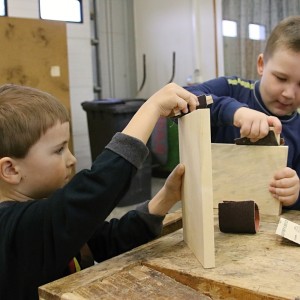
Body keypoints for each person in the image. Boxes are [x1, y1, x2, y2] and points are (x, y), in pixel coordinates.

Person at [0, 83, 198, 299]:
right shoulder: (13, 228)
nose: (72, 159)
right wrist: (152, 107)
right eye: (58, 150)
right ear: (10, 169)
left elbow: (106, 241)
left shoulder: (45, 213)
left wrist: (165, 197)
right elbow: (96, 190)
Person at [184, 15, 300, 210]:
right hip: (212, 216)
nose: (288, 93)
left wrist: (294, 192)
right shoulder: (231, 88)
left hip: (267, 229)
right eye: (280, 78)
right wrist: (234, 111)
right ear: (262, 64)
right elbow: (183, 97)